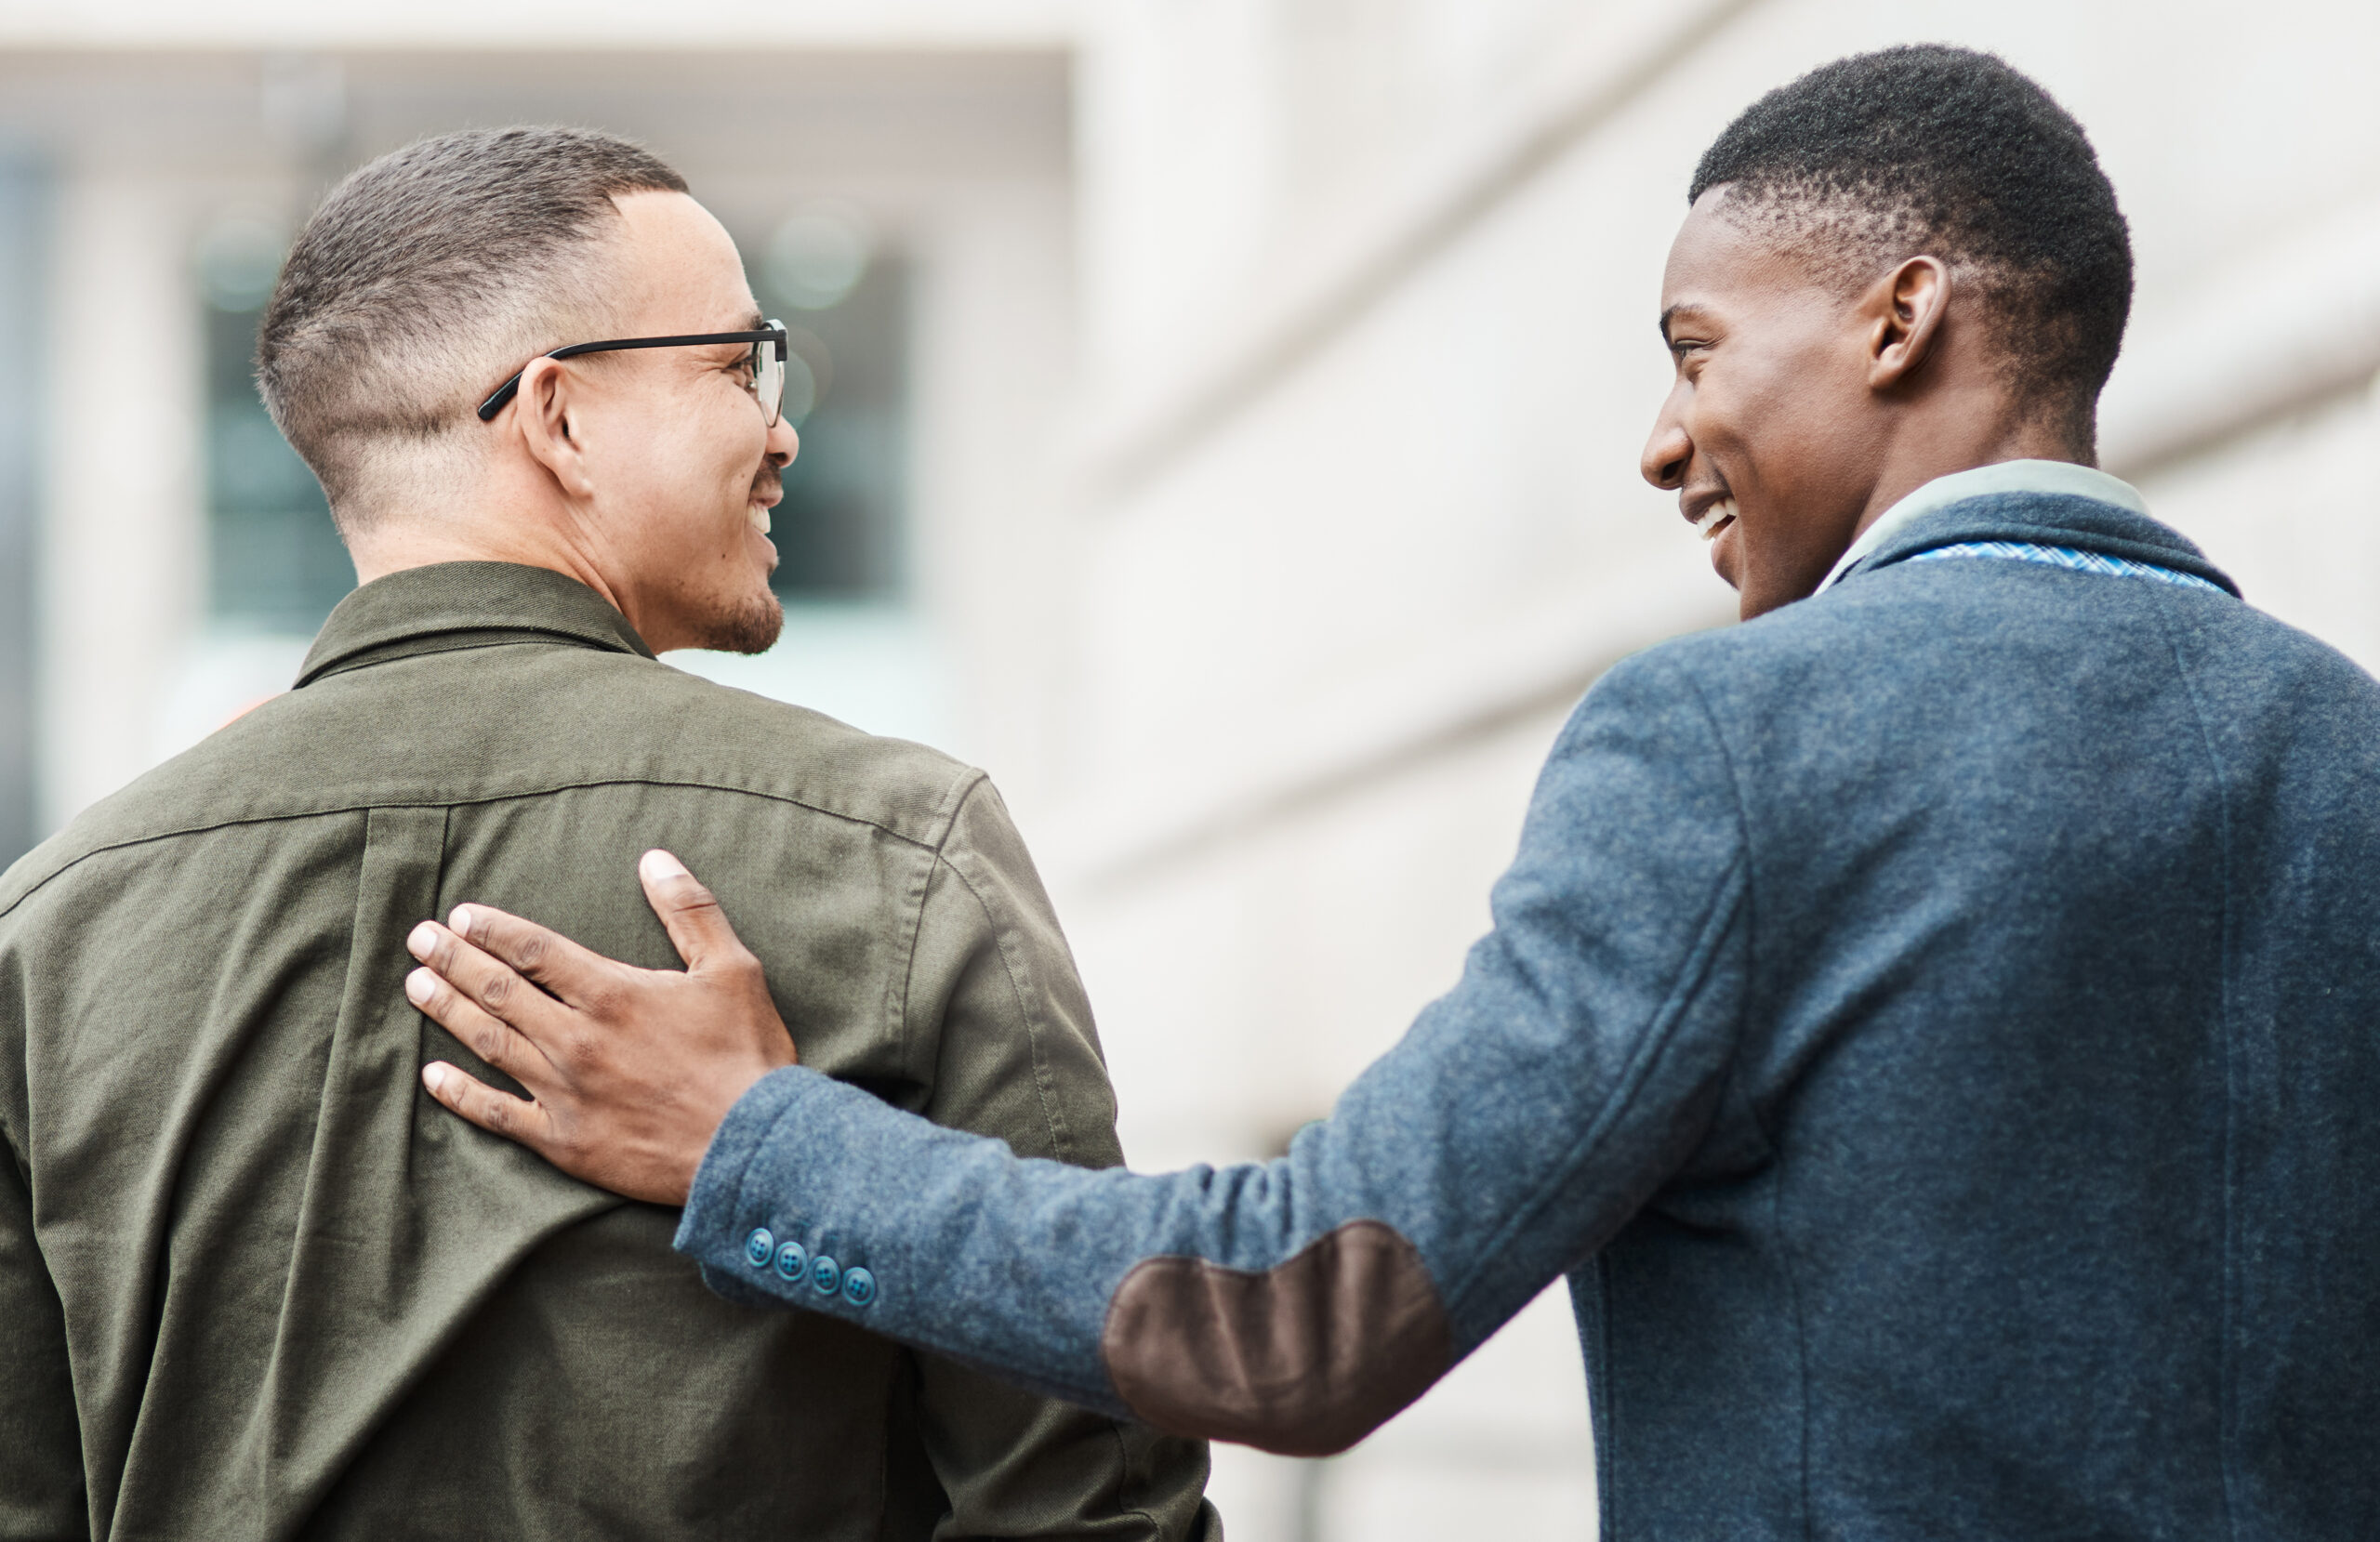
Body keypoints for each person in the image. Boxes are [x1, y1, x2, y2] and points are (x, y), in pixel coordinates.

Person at [403, 48, 2380, 1539]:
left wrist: (759, 1138)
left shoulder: (1731, 743)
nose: (1657, 438)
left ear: (1899, 317)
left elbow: (1302, 1303)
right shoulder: (2340, 748)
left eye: (1693, 348)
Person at [0, 127, 1218, 1541]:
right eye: (737, 364)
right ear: (559, 417)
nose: (783, 427)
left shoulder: (48, 931)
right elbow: (1087, 1508)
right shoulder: (892, 849)